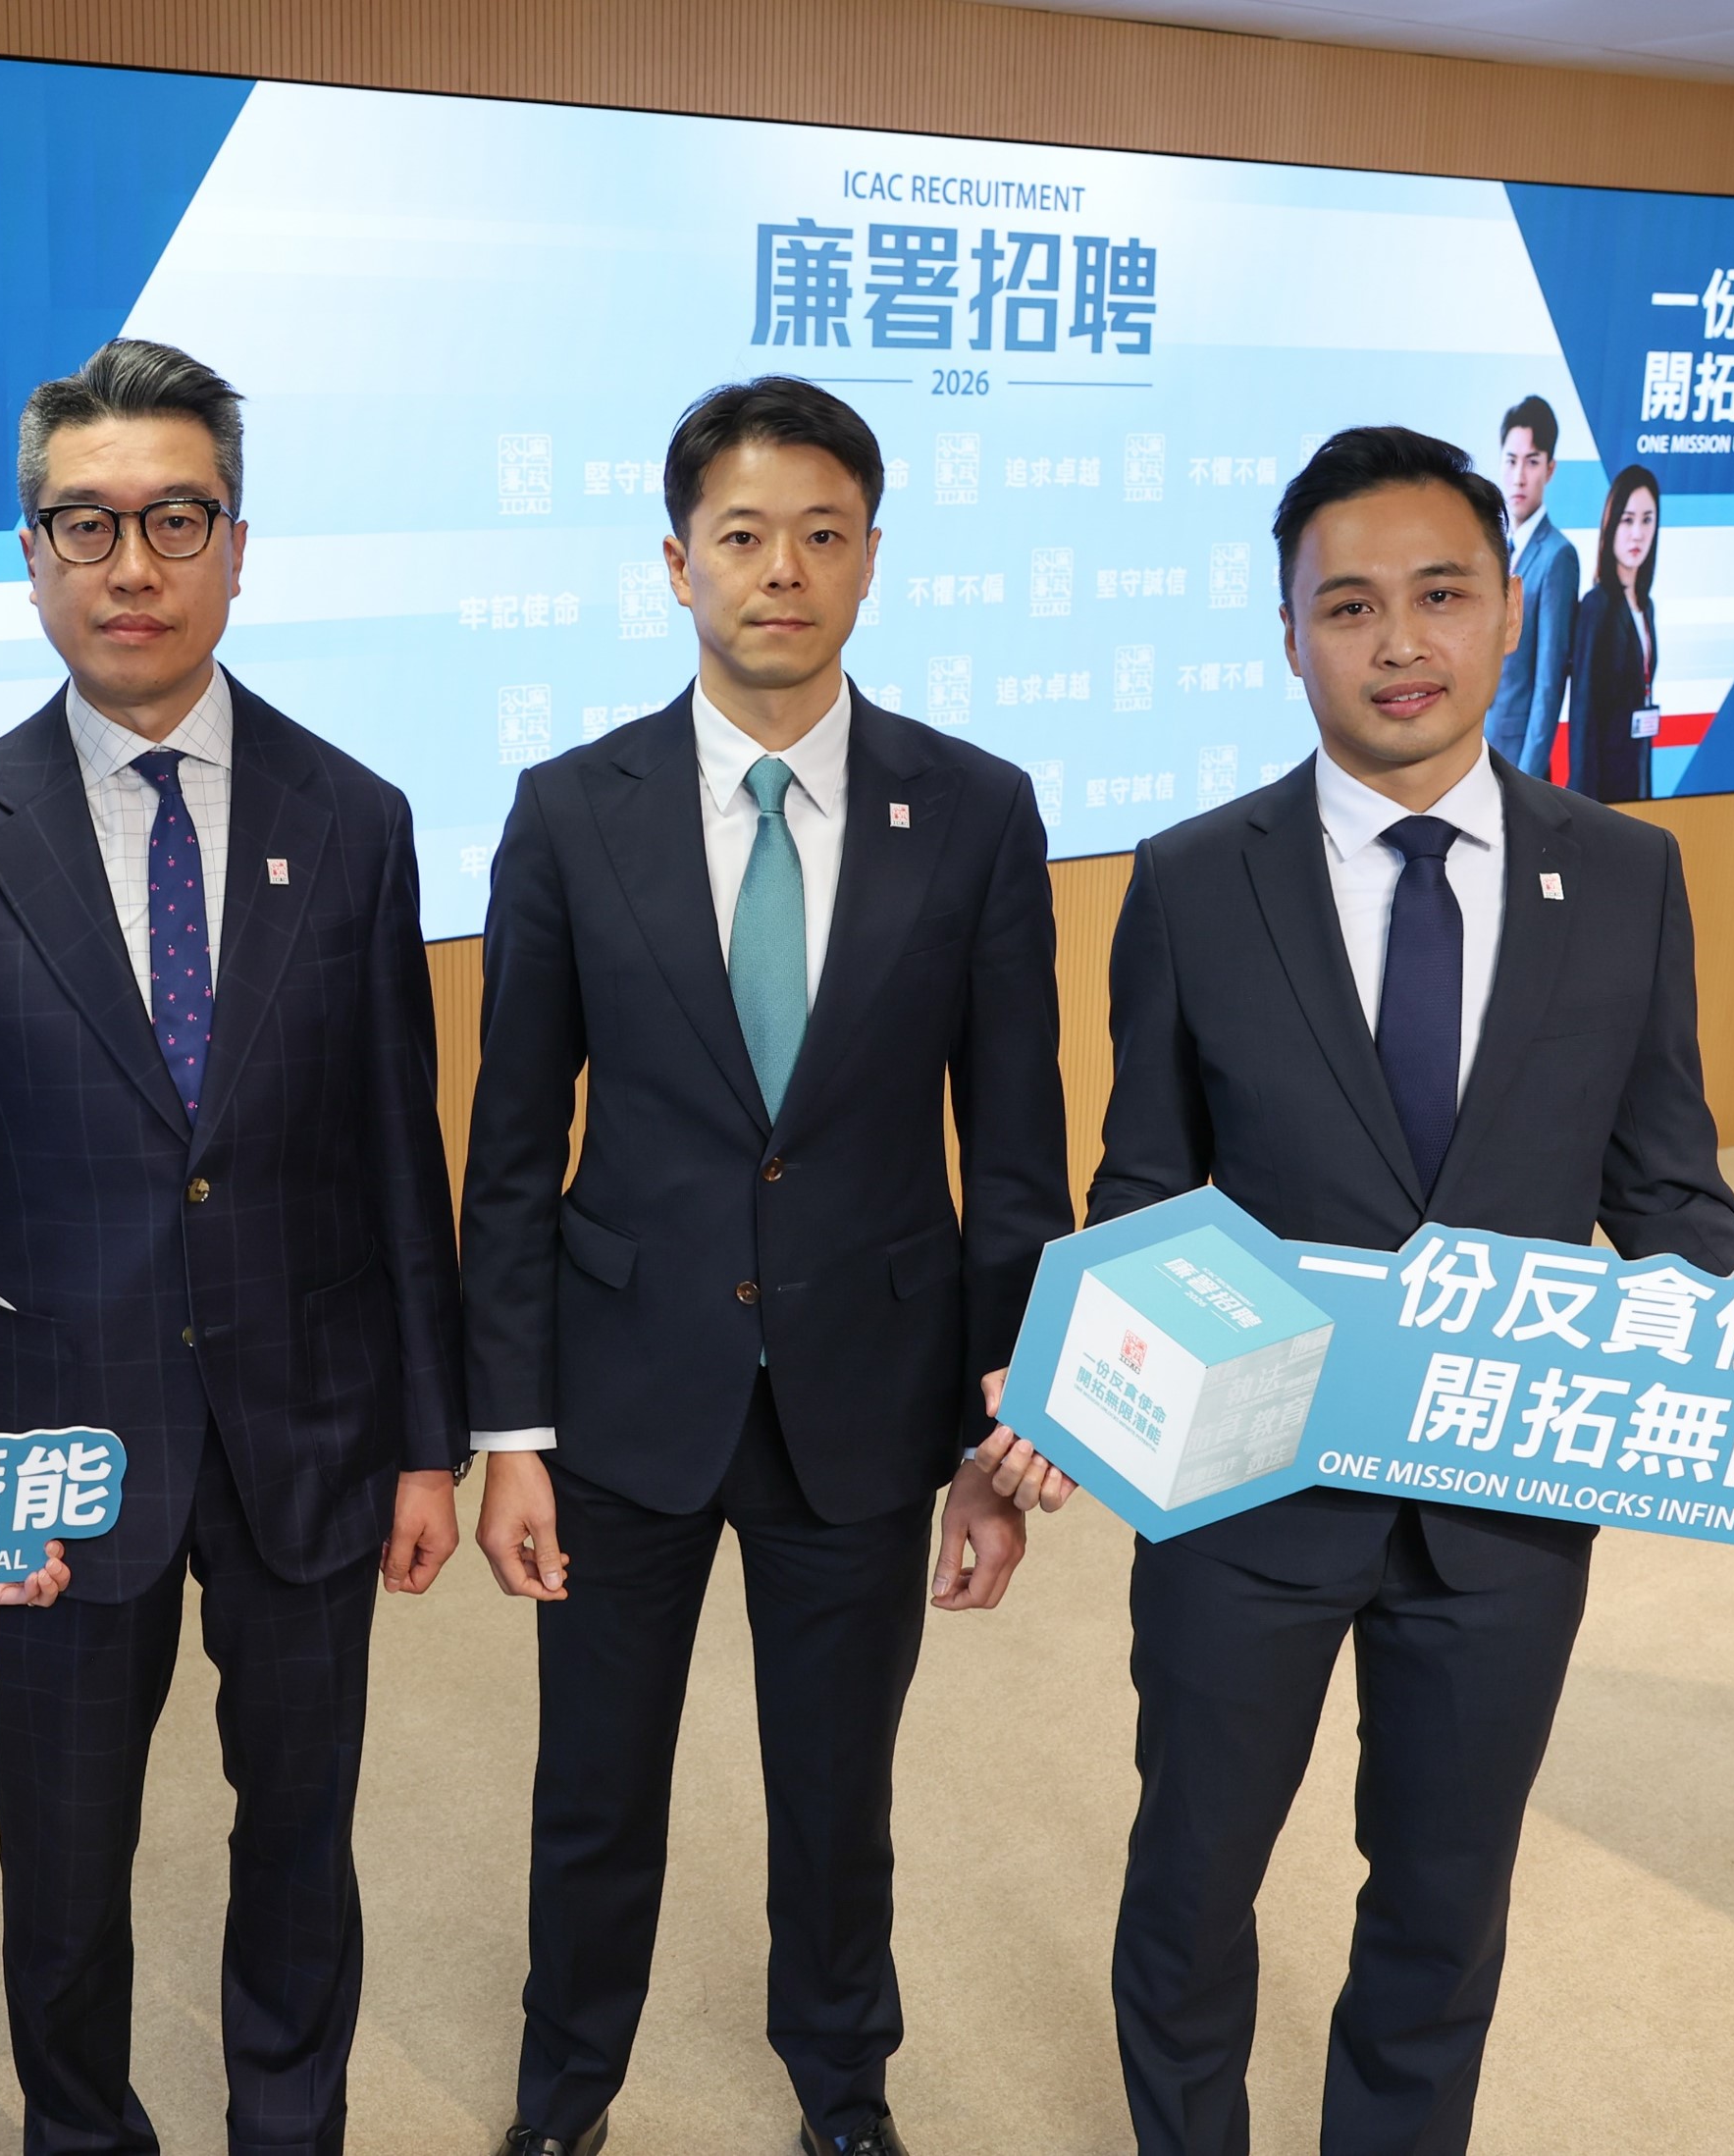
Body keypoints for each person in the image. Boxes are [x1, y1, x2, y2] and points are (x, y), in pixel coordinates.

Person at [974, 426, 1734, 2156]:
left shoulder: (1622, 874)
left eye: (1441, 594)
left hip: (1504, 1503)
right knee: (1189, 1884)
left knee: (1443, 1905)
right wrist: (1070, 1389)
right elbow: (1148, 1193)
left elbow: (1667, 1197)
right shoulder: (1189, 879)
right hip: (1246, 1495)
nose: (1398, 641)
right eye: (1348, 605)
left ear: (1506, 610)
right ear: (1287, 633)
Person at [0, 338, 465, 2156]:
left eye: (175, 519)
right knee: (60, 1857)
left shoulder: (354, 819)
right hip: (50, 1438)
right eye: (86, 524)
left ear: (238, 547)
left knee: (301, 1834)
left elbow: (397, 1152)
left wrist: (428, 1437)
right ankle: (81, 2129)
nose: (132, 565)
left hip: (311, 1424)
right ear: (29, 556)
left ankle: (290, 2121)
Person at [463, 377, 1075, 2156]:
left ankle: (843, 2086)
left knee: (835, 1789)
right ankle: (564, 2094)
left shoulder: (976, 810)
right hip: (620, 1395)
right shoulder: (570, 809)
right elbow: (511, 1150)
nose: (780, 570)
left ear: (872, 559)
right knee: (594, 1789)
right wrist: (509, 1430)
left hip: (866, 1397)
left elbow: (1012, 1152)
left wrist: (1004, 1426)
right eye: (741, 535)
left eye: (821, 533)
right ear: (677, 563)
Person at [1486, 396, 1575, 778]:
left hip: (1518, 763)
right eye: (1511, 461)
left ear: (1550, 469)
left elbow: (1548, 685)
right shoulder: (1493, 548)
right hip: (1477, 751)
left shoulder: (1557, 556)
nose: (1519, 477)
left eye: (1532, 461)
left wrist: (1526, 782)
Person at [1565, 462, 1661, 804]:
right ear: (1611, 523)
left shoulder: (1646, 605)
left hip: (1638, 774)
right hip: (1603, 789)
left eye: (1647, 520)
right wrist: (1583, 808)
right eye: (1627, 519)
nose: (1637, 534)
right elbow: (1584, 718)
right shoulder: (1597, 606)